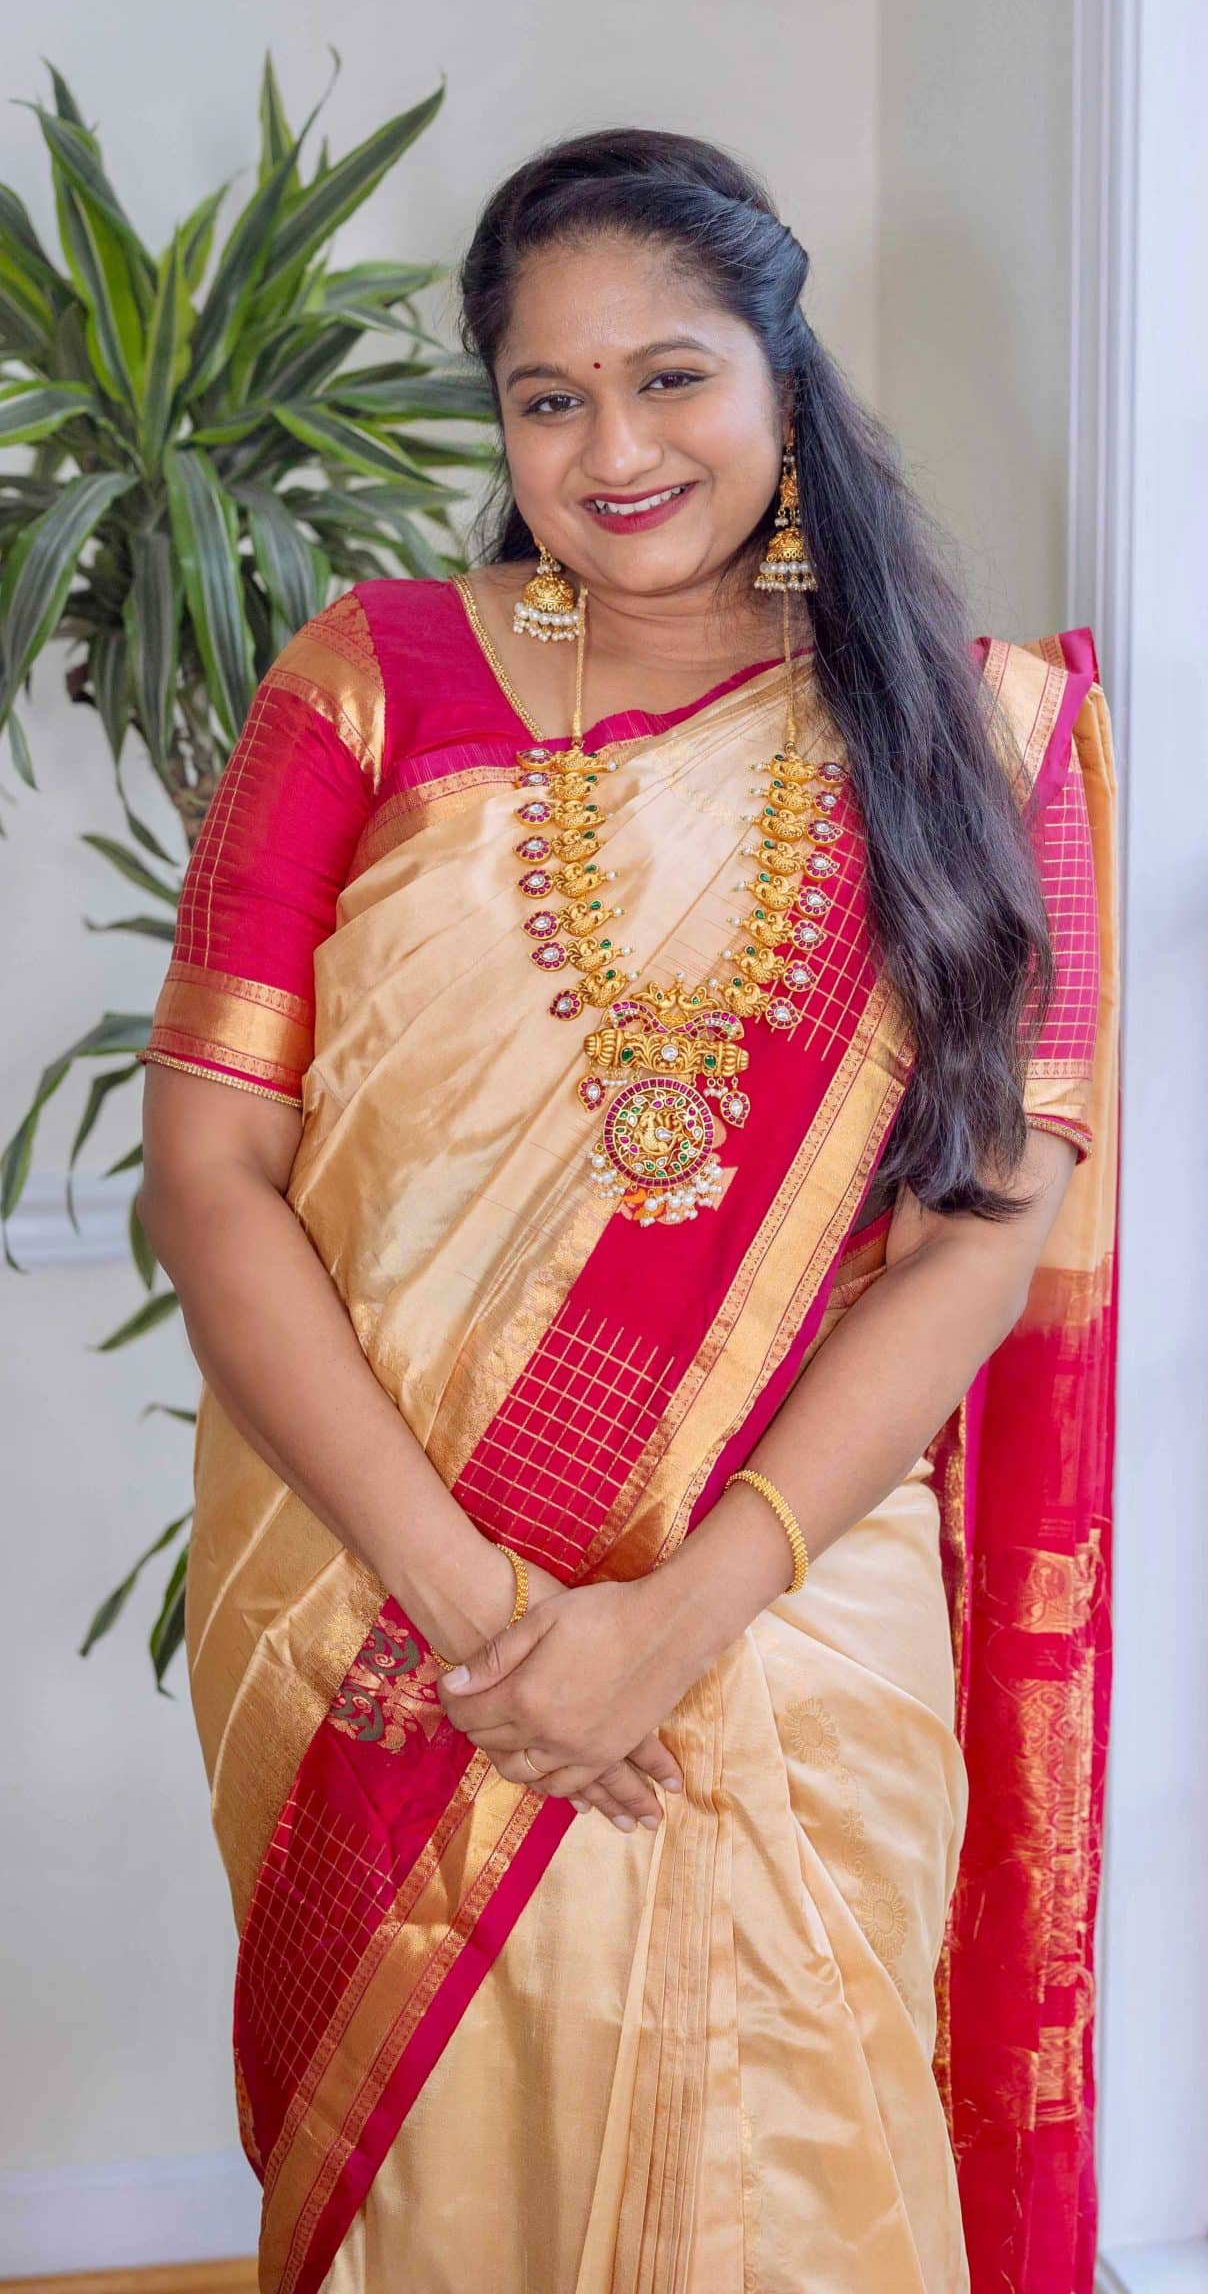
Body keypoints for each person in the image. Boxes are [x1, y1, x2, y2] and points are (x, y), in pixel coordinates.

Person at [137, 126, 1119, 2294]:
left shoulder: (969, 732)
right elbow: (209, 1171)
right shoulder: (370, 673)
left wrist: (673, 1614)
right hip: (386, 1592)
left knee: (803, 2164)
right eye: (546, 395)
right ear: (497, 423)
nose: (614, 444)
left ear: (782, 376)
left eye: (671, 375)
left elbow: (983, 1218)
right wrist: (481, 1615)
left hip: (783, 1594)